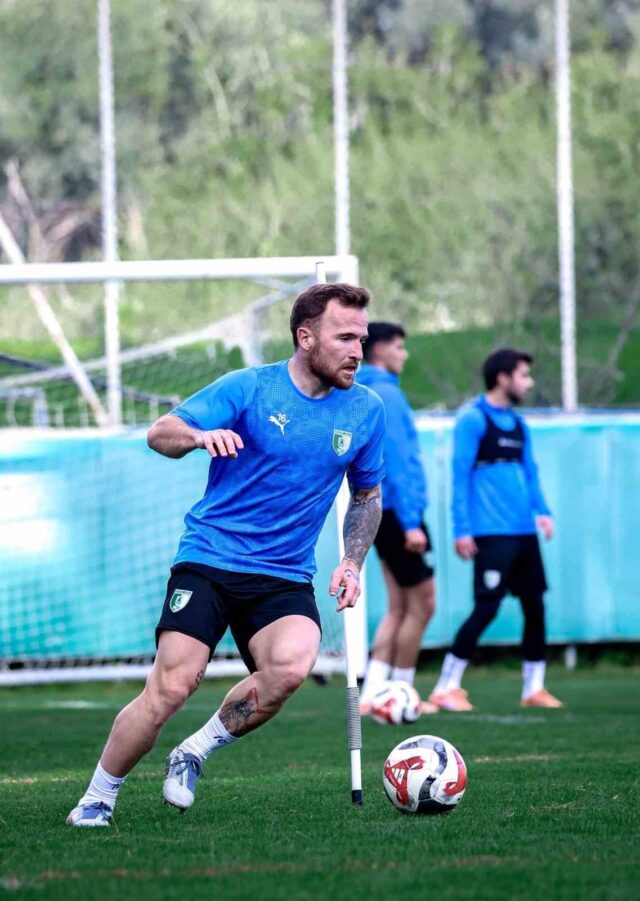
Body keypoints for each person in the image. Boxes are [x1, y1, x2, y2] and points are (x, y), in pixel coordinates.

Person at [67, 282, 385, 826]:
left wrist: (352, 562)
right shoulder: (250, 387)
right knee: (171, 687)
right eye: (345, 337)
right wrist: (198, 437)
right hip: (211, 559)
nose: (358, 350)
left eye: (362, 338)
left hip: (284, 573)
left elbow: (366, 496)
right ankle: (97, 797)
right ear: (306, 337)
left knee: (290, 668)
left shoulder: (366, 411)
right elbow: (161, 432)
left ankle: (193, 751)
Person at [429, 347, 563, 712]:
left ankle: (534, 688)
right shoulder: (472, 419)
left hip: (524, 532)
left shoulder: (519, 425)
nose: (528, 383)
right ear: (503, 378)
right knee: (487, 607)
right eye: (523, 375)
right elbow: (459, 477)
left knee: (535, 606)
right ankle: (445, 687)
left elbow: (531, 471)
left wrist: (543, 511)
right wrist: (462, 529)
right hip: (490, 533)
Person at [357, 322, 438, 715]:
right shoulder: (386, 393)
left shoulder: (365, 391)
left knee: (398, 607)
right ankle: (402, 693)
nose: (404, 354)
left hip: (382, 511)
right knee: (423, 604)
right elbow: (399, 463)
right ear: (380, 350)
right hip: (398, 514)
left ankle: (373, 695)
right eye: (399, 347)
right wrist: (411, 523)